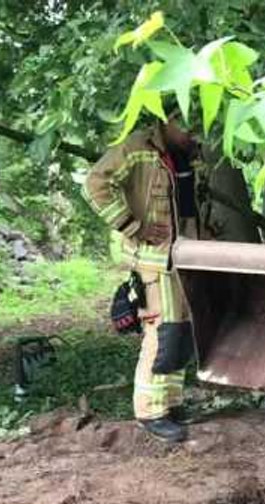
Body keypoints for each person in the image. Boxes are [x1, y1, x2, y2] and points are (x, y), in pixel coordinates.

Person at [86, 114, 200, 444]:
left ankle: (171, 404)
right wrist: (132, 226)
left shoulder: (188, 153)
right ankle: (150, 411)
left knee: (180, 330)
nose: (192, 133)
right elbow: (94, 184)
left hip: (184, 255)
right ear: (167, 121)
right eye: (186, 125)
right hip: (152, 257)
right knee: (162, 332)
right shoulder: (137, 147)